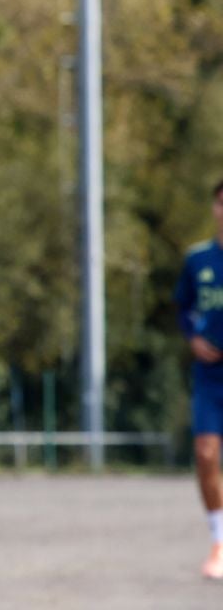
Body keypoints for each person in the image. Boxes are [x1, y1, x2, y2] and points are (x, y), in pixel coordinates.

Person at [174, 180, 223, 579]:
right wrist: (193, 338)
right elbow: (183, 307)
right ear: (214, 208)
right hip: (209, 376)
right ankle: (219, 542)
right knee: (206, 454)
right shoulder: (198, 260)